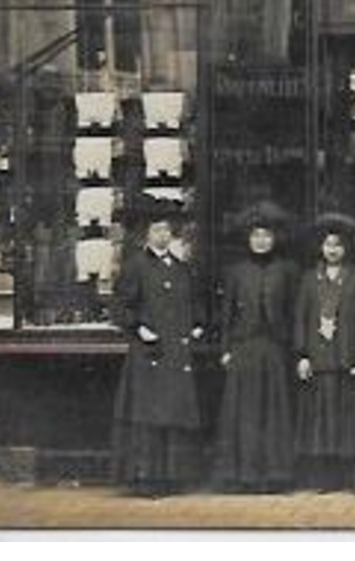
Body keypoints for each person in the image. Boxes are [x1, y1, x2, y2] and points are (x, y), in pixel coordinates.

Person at [110, 194, 204, 498]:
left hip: (176, 353)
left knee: (172, 416)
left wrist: (197, 325)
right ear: (145, 235)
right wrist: (139, 328)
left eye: (166, 230)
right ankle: (146, 479)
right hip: (149, 352)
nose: (162, 235)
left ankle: (171, 478)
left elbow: (192, 304)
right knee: (149, 419)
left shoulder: (180, 268)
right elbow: (120, 308)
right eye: (156, 231)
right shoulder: (135, 266)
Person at [212, 199, 299, 493]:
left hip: (275, 347)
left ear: (275, 239)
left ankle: (274, 475)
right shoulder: (236, 271)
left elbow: (294, 311)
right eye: (256, 236)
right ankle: (242, 475)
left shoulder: (287, 269)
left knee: (274, 411)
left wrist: (294, 348)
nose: (261, 242)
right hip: (244, 347)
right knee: (244, 412)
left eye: (266, 236)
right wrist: (225, 348)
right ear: (248, 239)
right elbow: (226, 313)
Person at [293, 211, 355, 492]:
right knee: (322, 419)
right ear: (320, 247)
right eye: (328, 245)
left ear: (347, 248)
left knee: (353, 419)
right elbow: (301, 318)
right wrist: (302, 354)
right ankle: (327, 478)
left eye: (338, 245)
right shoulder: (308, 279)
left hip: (350, 356)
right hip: (320, 358)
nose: (333, 250)